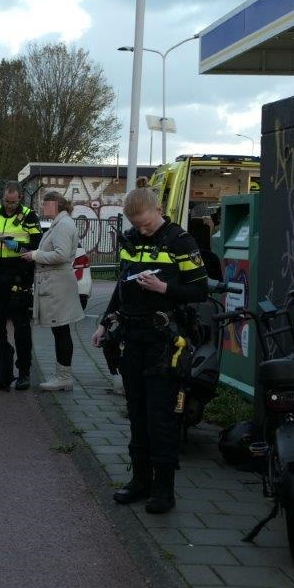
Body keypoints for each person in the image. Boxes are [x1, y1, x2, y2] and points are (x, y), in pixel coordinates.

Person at [91, 188, 208, 514]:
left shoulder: (180, 242)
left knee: (162, 417)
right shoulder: (130, 240)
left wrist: (164, 288)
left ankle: (164, 489)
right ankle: (140, 480)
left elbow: (200, 289)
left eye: (146, 224)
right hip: (132, 336)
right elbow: (121, 287)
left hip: (164, 340)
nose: (142, 231)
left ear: (159, 209)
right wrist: (106, 321)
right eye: (137, 226)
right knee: (137, 412)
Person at [0, 180, 42, 390]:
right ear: (2, 198)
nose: (9, 206)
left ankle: (24, 372)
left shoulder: (29, 216)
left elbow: (38, 244)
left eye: (13, 202)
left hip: (19, 273)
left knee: (21, 326)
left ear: (19, 198)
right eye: (6, 201)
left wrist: (18, 246)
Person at [22, 191, 84, 391]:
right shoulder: (61, 224)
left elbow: (61, 255)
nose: (42, 208)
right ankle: (62, 375)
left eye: (45, 204)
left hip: (58, 284)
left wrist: (35, 255)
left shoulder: (63, 225)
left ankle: (63, 377)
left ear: (55, 204)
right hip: (56, 282)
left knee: (61, 330)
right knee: (61, 331)